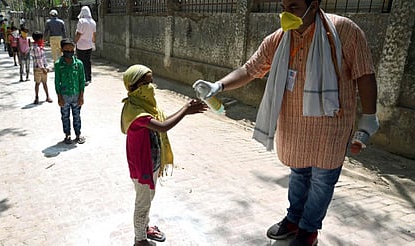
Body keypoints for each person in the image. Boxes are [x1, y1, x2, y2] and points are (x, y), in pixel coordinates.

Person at [192, 0, 379, 245]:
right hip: (294, 128)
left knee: (322, 181)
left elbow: (364, 74)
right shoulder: (279, 39)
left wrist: (368, 119)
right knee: (299, 174)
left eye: (293, 7)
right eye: (283, 6)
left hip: (331, 128)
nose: (285, 13)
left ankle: (308, 230)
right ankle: (293, 219)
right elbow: (250, 70)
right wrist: (218, 85)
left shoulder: (344, 31)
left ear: (315, 4)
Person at [121, 65, 207, 246]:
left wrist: (186, 108)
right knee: (143, 202)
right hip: (142, 163)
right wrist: (185, 110)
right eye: (145, 83)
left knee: (148, 197)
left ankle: (144, 228)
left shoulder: (146, 105)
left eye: (151, 82)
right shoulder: (134, 110)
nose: (150, 87)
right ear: (132, 87)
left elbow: (162, 120)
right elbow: (163, 126)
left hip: (152, 160)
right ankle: (140, 240)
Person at [54, 38, 85, 144]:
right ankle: (67, 134)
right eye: (67, 51)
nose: (70, 53)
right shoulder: (58, 64)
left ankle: (78, 134)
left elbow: (82, 81)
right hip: (64, 96)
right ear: (62, 50)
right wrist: (59, 97)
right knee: (65, 116)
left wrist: (81, 96)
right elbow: (57, 82)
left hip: (76, 95)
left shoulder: (79, 64)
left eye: (72, 51)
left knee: (77, 116)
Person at [74, 6, 97, 86]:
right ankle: (89, 78)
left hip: (81, 45)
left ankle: (83, 78)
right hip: (89, 45)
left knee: (81, 62)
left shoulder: (81, 21)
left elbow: (78, 34)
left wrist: (74, 43)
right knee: (88, 61)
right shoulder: (93, 22)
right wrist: (93, 43)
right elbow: (94, 34)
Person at [31, 31, 52, 104]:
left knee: (44, 83)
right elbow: (39, 60)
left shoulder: (39, 46)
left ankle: (47, 96)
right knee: (38, 83)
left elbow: (43, 58)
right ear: (39, 39)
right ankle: (36, 97)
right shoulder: (37, 48)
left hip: (42, 67)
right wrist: (43, 69)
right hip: (38, 68)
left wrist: (47, 66)